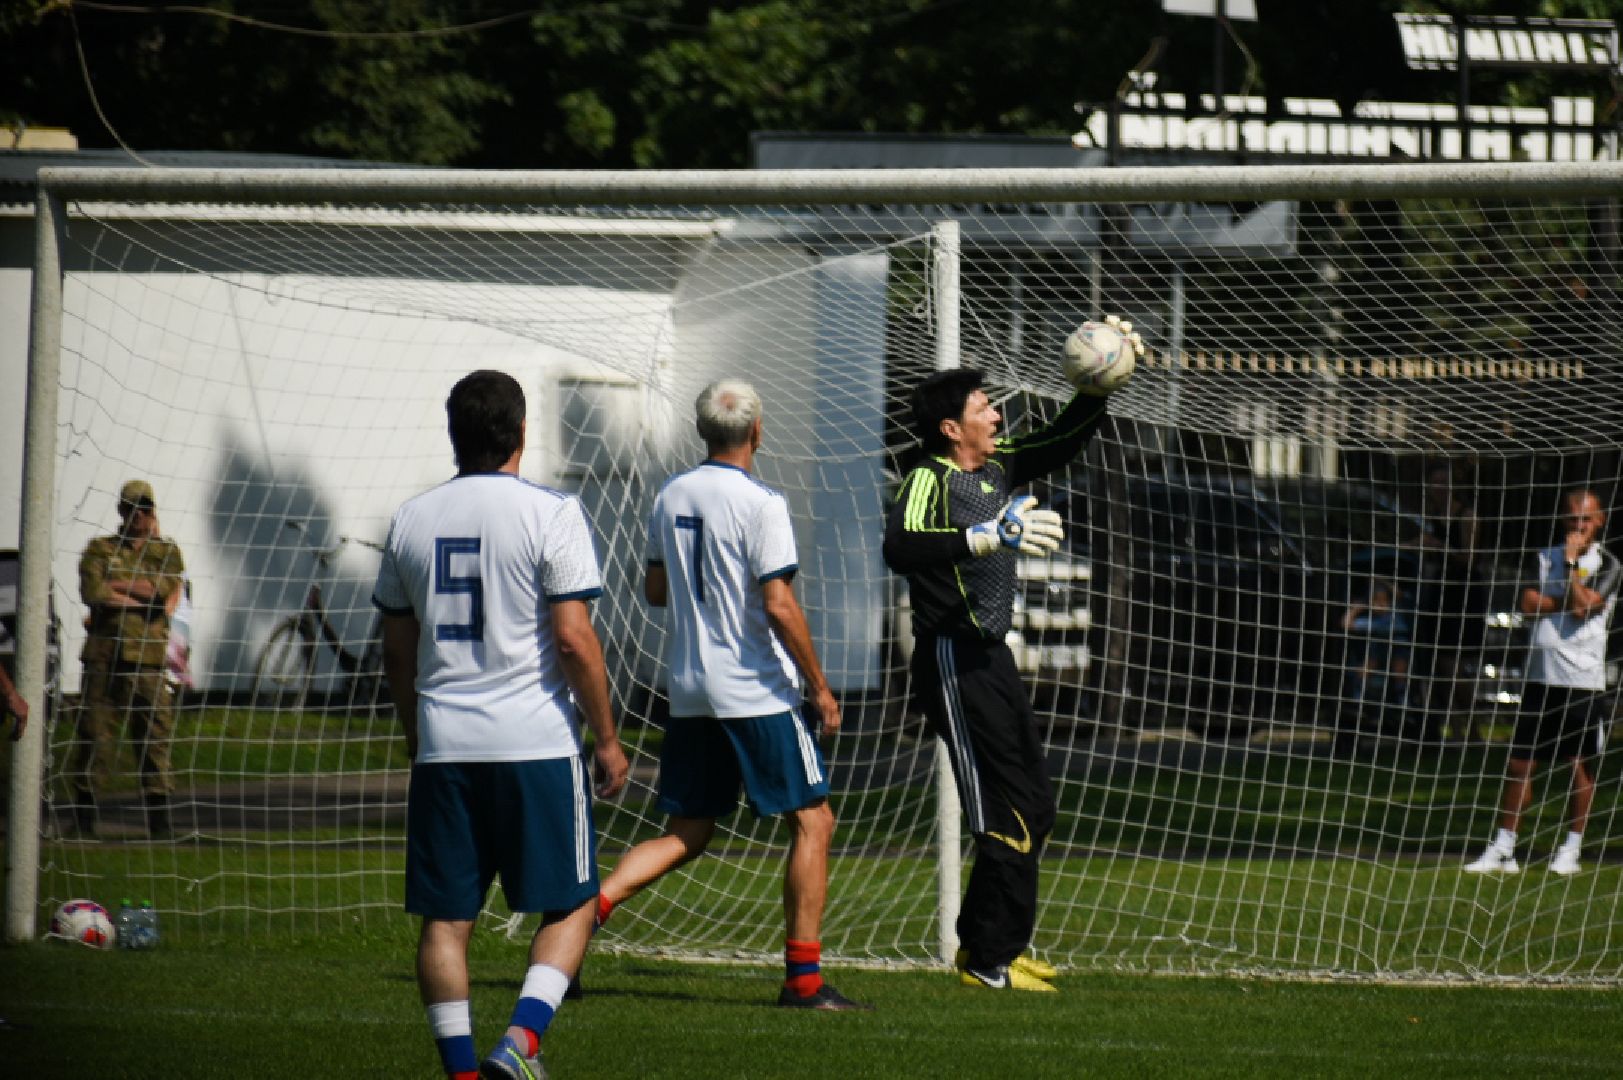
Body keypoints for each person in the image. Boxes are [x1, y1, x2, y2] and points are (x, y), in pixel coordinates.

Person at [373, 369, 630, 1080]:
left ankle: (461, 1071)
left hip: (445, 743)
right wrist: (608, 738)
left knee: (447, 918)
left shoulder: (410, 518)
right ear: (520, 432)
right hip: (534, 742)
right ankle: (519, 1043)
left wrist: (415, 731)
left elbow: (396, 649)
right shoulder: (553, 512)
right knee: (574, 902)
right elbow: (573, 639)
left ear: (453, 434)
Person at [594, 378, 869, 1012]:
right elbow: (778, 604)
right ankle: (803, 981)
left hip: (690, 690)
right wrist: (821, 689)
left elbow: (655, 591)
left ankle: (587, 910)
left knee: (688, 833)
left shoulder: (671, 494)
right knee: (814, 820)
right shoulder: (761, 502)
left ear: (702, 431)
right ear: (758, 430)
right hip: (754, 689)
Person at [883, 357, 1116, 992]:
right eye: (983, 406)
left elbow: (1057, 442)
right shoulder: (928, 477)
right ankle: (988, 963)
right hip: (951, 659)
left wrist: (1097, 389)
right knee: (1002, 809)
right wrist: (983, 537)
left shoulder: (995, 465)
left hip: (992, 657)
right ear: (950, 428)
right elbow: (900, 546)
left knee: (1034, 804)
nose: (995, 413)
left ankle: (994, 948)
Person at [1465, 488, 1619, 876]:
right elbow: (1528, 604)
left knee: (1578, 765)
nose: (1578, 526)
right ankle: (1504, 849)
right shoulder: (1543, 558)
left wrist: (1570, 567)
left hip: (1582, 681)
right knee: (1520, 763)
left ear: (1599, 521)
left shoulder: (1609, 565)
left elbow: (1584, 609)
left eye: (1586, 519)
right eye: (1572, 518)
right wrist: (1569, 596)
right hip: (1540, 677)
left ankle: (1570, 850)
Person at [70, 479, 186, 840]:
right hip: (104, 658)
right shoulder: (99, 549)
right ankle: (84, 819)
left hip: (147, 661)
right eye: (133, 508)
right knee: (94, 737)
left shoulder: (166, 552)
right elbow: (93, 593)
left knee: (153, 738)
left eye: (146, 508)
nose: (139, 515)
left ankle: (159, 822)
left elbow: (160, 591)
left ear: (153, 511)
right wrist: (139, 596)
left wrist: (118, 585)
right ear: (122, 510)